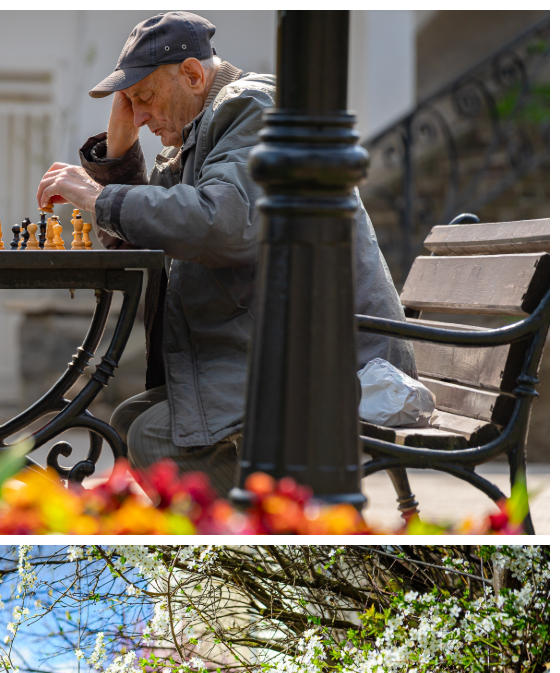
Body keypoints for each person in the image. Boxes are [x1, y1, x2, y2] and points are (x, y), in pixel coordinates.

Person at [35, 11, 412, 494]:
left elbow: (220, 223)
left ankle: (281, 518)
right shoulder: (201, 132)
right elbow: (150, 235)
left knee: (155, 436)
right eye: (132, 103)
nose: (141, 115)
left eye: (145, 98)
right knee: (133, 417)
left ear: (193, 75)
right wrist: (118, 152)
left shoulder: (252, 107)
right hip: (280, 348)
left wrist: (94, 196)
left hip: (334, 362)